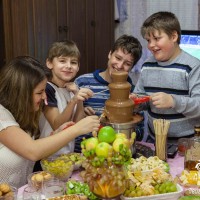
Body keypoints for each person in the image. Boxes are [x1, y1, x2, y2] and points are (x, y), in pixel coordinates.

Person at [0, 56, 100, 188]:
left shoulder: (25, 114)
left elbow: (28, 146)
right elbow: (32, 151)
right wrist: (77, 129)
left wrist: (56, 134)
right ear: (21, 93)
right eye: (40, 92)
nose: (44, 97)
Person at [133, 11, 200, 144]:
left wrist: (173, 101)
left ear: (174, 36)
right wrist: (136, 102)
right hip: (155, 140)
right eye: (148, 40)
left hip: (188, 144)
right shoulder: (147, 65)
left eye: (157, 39)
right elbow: (143, 98)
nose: (151, 45)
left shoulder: (193, 66)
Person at [74, 34, 144, 152]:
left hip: (117, 155)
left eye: (127, 63)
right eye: (117, 58)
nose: (120, 65)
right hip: (83, 152)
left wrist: (125, 120)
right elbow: (68, 125)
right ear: (110, 54)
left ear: (132, 67)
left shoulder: (132, 92)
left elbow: (140, 133)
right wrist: (81, 114)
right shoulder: (82, 83)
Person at [39, 40, 94, 157]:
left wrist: (77, 96)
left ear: (78, 67)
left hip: (67, 155)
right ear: (49, 63)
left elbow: (77, 124)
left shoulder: (72, 88)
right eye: (62, 61)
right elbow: (57, 125)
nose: (68, 66)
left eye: (73, 62)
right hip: (48, 155)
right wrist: (73, 101)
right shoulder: (47, 88)